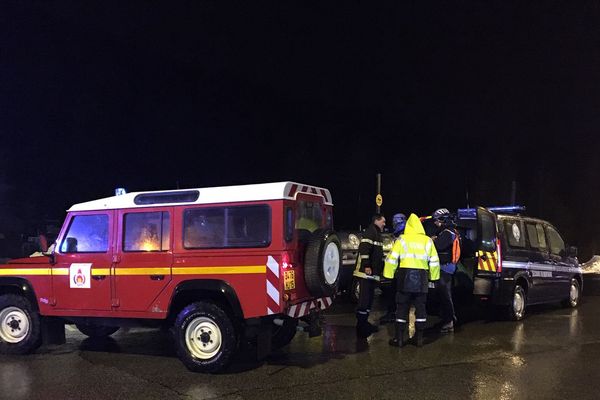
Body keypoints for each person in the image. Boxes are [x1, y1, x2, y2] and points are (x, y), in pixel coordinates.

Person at [383, 213, 440, 347]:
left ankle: (399, 339)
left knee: (402, 307)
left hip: (404, 277)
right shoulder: (428, 241)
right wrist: (433, 277)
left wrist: (388, 275)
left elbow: (391, 259)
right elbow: (434, 261)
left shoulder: (402, 239)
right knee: (421, 308)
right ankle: (419, 339)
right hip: (422, 278)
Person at [353, 214, 386, 338]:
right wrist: (367, 266)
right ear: (376, 220)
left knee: (369, 300)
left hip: (371, 273)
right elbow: (364, 250)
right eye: (383, 221)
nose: (384, 224)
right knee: (364, 300)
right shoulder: (370, 232)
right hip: (365, 273)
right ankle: (361, 326)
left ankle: (364, 324)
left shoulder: (376, 233)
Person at [431, 208, 461, 334]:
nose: (435, 223)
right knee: (444, 295)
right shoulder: (449, 231)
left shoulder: (447, 233)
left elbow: (438, 246)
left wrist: (432, 240)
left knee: (445, 296)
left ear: (443, 220)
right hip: (447, 268)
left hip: (445, 268)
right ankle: (448, 318)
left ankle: (449, 321)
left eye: (437, 221)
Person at [379, 213, 407, 324]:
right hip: (399, 269)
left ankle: (395, 315)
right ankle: (395, 313)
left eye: (396, 221)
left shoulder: (402, 234)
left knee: (397, 293)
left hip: (402, 268)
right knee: (395, 293)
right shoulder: (398, 234)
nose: (394, 223)